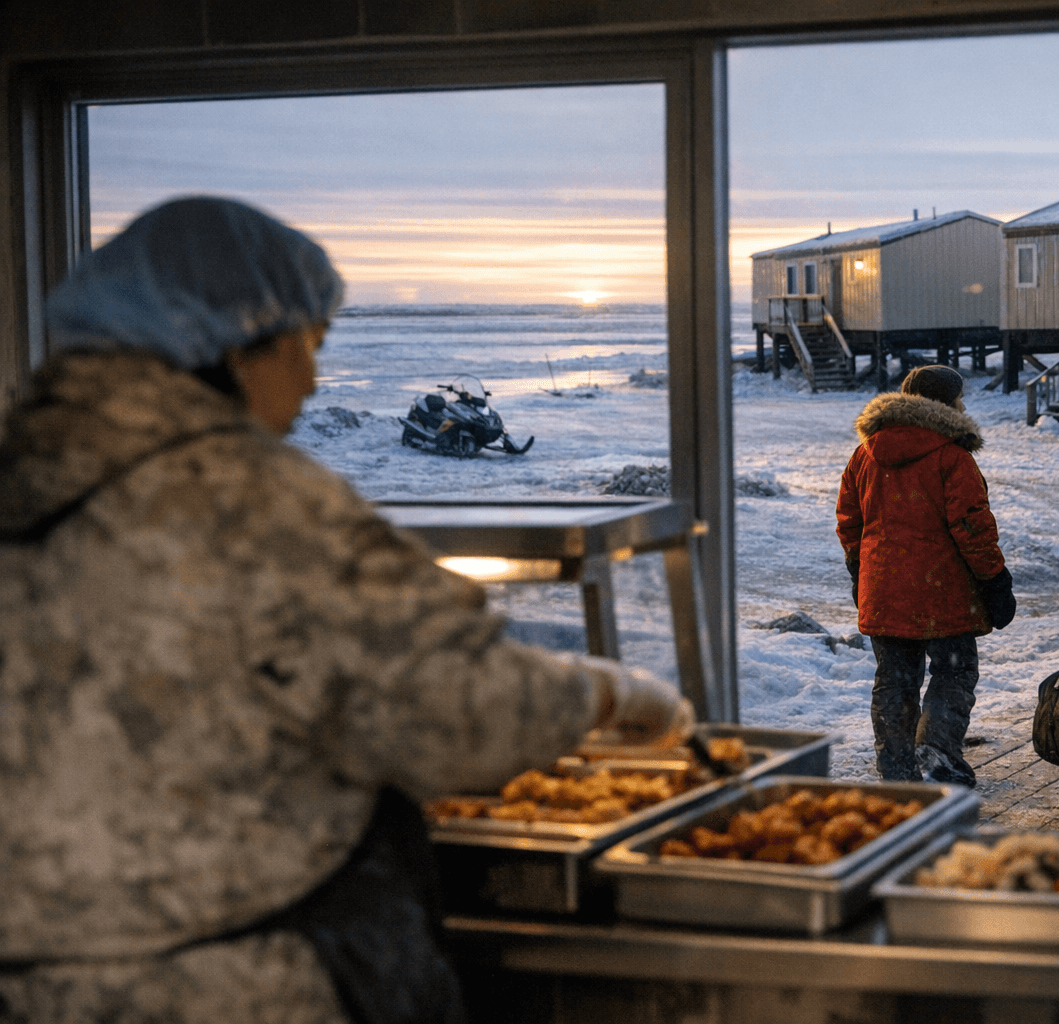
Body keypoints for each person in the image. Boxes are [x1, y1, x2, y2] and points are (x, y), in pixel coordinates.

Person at [0, 197, 693, 1024]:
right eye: (309, 344)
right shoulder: (252, 500)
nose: (313, 379)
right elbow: (456, 713)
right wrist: (602, 694)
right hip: (228, 985)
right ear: (236, 343)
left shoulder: (23, 469)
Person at [836, 365, 1015, 787]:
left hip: (884, 587)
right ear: (945, 404)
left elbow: (849, 521)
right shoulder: (952, 457)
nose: (965, 405)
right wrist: (995, 581)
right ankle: (936, 749)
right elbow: (972, 527)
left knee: (894, 681)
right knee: (954, 671)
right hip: (943, 590)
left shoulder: (865, 453)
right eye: (959, 397)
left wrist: (859, 569)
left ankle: (896, 770)